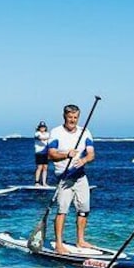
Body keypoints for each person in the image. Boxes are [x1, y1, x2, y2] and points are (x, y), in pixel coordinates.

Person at [47, 104, 96, 254]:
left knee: (84, 209)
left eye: (75, 118)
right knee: (62, 210)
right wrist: (66, 154)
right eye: (70, 117)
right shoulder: (56, 132)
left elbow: (91, 153)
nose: (73, 120)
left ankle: (80, 240)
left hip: (80, 177)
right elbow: (51, 155)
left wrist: (84, 160)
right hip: (64, 178)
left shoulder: (85, 132)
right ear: (64, 117)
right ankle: (59, 244)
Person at [33, 121, 50, 186]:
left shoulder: (47, 134)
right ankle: (37, 182)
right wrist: (48, 138)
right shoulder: (37, 133)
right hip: (39, 152)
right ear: (39, 128)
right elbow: (40, 138)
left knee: (45, 167)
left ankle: (44, 182)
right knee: (39, 167)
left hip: (45, 152)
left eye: (43, 127)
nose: (42, 129)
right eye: (41, 127)